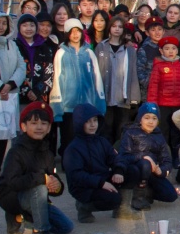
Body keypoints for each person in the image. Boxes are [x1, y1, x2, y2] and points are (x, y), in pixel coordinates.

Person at [0, 102, 73, 234]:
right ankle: (41, 231)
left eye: (44, 123)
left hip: (36, 197)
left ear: (49, 128)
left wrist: (57, 185)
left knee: (66, 227)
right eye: (34, 123)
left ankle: (20, 218)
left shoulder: (47, 153)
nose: (39, 127)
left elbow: (51, 179)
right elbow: (12, 182)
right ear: (23, 126)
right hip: (11, 195)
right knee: (40, 187)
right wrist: (42, 179)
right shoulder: (16, 151)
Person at [50, 19, 107, 157]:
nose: (75, 35)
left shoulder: (89, 52)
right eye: (72, 31)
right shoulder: (61, 53)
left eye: (78, 31)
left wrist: (99, 102)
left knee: (85, 136)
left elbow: (97, 78)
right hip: (68, 105)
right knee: (68, 137)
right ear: (67, 33)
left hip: (87, 104)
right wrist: (57, 105)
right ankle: (67, 161)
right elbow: (57, 78)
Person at [62, 103, 123, 223]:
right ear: (80, 123)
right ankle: (84, 207)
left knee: (131, 171)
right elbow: (76, 175)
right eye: (88, 121)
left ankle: (122, 209)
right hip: (84, 188)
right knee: (113, 199)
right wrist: (101, 183)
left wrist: (118, 171)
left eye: (95, 120)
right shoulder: (73, 148)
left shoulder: (101, 141)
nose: (93, 125)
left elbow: (116, 158)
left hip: (101, 179)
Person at [116, 102, 177, 211]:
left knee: (171, 195)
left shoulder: (159, 136)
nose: (150, 121)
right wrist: (145, 157)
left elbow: (167, 161)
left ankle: (146, 192)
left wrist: (161, 170)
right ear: (140, 119)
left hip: (151, 173)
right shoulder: (130, 133)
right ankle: (137, 197)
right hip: (134, 171)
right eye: (147, 118)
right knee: (145, 163)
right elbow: (124, 156)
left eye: (154, 118)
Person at [147, 36, 180, 166]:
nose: (170, 51)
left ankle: (176, 157)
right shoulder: (158, 67)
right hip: (163, 105)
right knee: (163, 132)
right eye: (167, 49)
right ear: (161, 51)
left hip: (179, 106)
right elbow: (153, 87)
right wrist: (152, 106)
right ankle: (162, 157)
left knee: (177, 133)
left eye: (173, 48)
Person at [94, 16, 141, 144]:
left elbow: (133, 73)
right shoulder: (101, 47)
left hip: (123, 98)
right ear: (109, 28)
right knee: (105, 131)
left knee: (121, 132)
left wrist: (134, 97)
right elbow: (95, 72)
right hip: (106, 97)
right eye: (114, 26)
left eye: (120, 27)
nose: (117, 29)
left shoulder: (129, 50)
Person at [15, 13, 57, 106]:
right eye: (24, 25)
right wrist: (27, 91)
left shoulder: (44, 47)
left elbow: (49, 72)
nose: (28, 29)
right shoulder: (14, 46)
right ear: (19, 27)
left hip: (40, 98)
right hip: (19, 98)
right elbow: (12, 71)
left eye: (32, 25)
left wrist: (37, 90)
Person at [136, 15, 165, 96]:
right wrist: (150, 83)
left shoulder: (167, 48)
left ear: (163, 31)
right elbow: (140, 72)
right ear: (147, 33)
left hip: (166, 92)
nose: (157, 32)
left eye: (159, 29)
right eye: (153, 30)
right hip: (149, 93)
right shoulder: (144, 49)